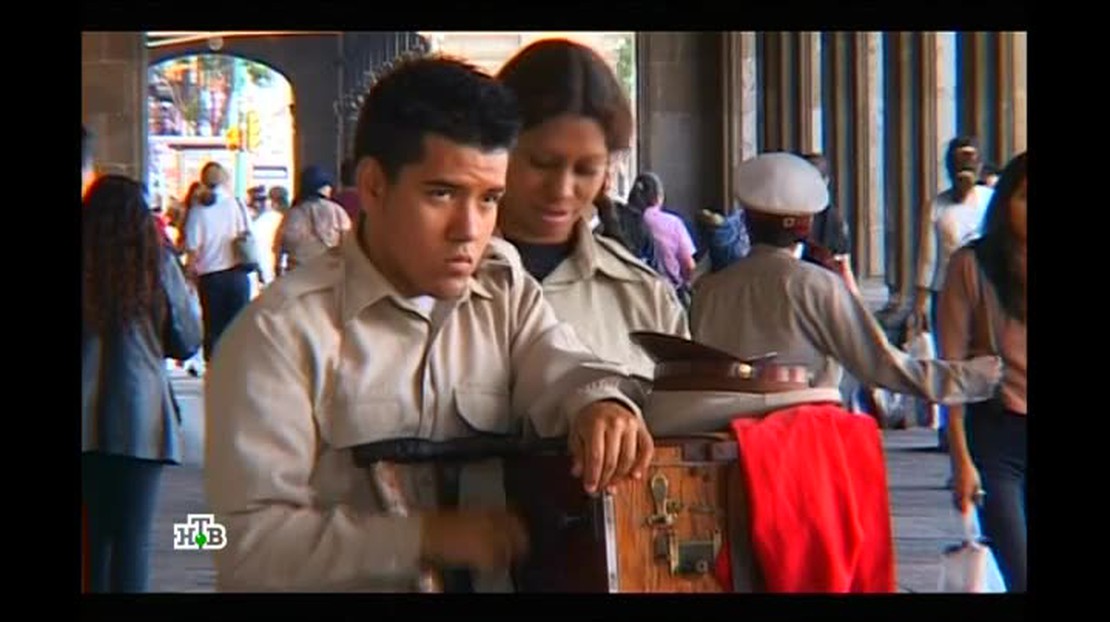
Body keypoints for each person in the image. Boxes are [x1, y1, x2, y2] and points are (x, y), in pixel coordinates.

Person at [203, 54, 654, 593]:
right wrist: (424, 537)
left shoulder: (502, 291)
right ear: (374, 186)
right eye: (442, 194)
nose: (470, 229)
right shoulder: (281, 334)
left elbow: (558, 364)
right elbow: (242, 545)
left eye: (489, 199)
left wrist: (601, 405)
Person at [690, 152, 1003, 408]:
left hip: (722, 431)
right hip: (802, 433)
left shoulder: (708, 291)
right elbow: (881, 365)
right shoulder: (818, 285)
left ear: (745, 221)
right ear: (807, 225)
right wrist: (971, 378)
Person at [495, 38, 689, 381]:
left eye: (585, 170)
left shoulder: (644, 297)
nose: (561, 189)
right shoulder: (438, 279)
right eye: (542, 163)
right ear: (499, 152)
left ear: (606, 173)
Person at [82, 176, 202, 592]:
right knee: (133, 538)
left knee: (92, 539)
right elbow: (187, 338)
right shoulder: (157, 263)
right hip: (142, 418)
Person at [938, 152, 1027, 592]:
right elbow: (951, 373)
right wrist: (960, 459)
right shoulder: (971, 266)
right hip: (997, 435)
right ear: (1005, 201)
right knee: (1019, 569)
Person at [914, 136, 995, 449]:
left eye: (970, 161)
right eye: (959, 162)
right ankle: (952, 430)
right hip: (947, 293)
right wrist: (920, 303)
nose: (965, 169)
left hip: (987, 291)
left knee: (986, 357)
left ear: (980, 165)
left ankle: (985, 425)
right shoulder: (937, 207)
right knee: (951, 361)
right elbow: (928, 258)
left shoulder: (991, 201)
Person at [182, 162, 253, 363]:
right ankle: (237, 369)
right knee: (238, 329)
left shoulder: (198, 211)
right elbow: (247, 234)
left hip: (211, 278)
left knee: (213, 328)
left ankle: (215, 371)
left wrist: (188, 278)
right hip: (238, 275)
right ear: (225, 180)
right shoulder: (236, 205)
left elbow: (193, 249)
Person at [273, 165, 352, 276]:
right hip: (330, 274)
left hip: (298, 274)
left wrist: (278, 269)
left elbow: (279, 246)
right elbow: (349, 244)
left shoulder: (293, 213)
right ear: (322, 187)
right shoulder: (337, 211)